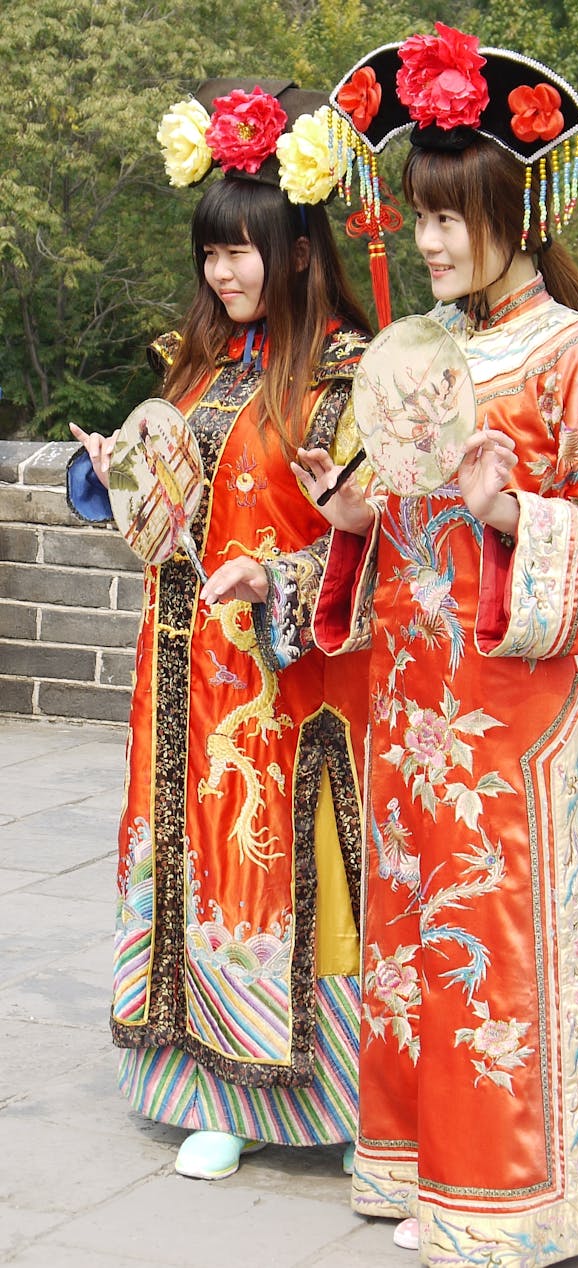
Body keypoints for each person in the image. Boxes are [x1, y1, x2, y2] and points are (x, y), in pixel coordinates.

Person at [290, 26, 578, 1264]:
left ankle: (514, 1191)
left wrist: (515, 512)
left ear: (517, 212)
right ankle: (417, 1164)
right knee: (408, 941)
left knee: (490, 943)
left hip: (506, 711)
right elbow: (386, 516)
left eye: (457, 217)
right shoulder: (420, 354)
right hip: (411, 695)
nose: (434, 240)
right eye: (421, 213)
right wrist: (347, 513)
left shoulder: (575, 358)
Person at [66, 77, 372, 1181]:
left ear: (299, 248)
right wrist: (118, 472)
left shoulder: (347, 373)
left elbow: (374, 540)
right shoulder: (201, 365)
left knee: (286, 869)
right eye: (211, 252)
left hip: (287, 679)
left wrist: (280, 575)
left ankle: (330, 1091)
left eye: (244, 249)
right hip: (182, 665)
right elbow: (171, 521)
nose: (224, 271)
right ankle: (209, 1089)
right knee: (189, 865)